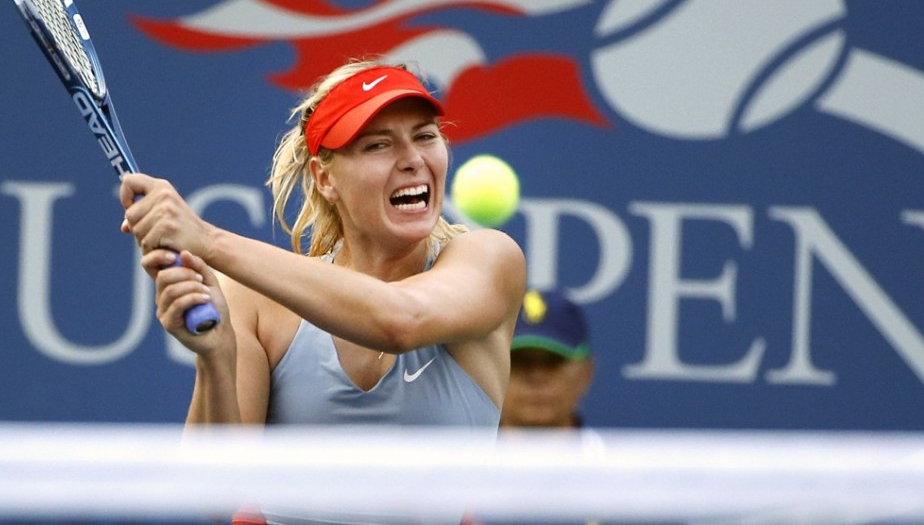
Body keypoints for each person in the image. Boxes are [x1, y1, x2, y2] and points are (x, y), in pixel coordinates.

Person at [119, 60, 526, 524]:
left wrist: (209, 240)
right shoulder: (254, 303)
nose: (413, 158)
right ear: (325, 178)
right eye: (378, 145)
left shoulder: (490, 260)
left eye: (426, 135)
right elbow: (216, 500)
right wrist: (215, 355)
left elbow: (398, 320)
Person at [499, 288, 595, 430]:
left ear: (585, 374)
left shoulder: (620, 452)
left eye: (554, 361)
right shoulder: (458, 452)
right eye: (519, 360)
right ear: (492, 375)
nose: (537, 377)